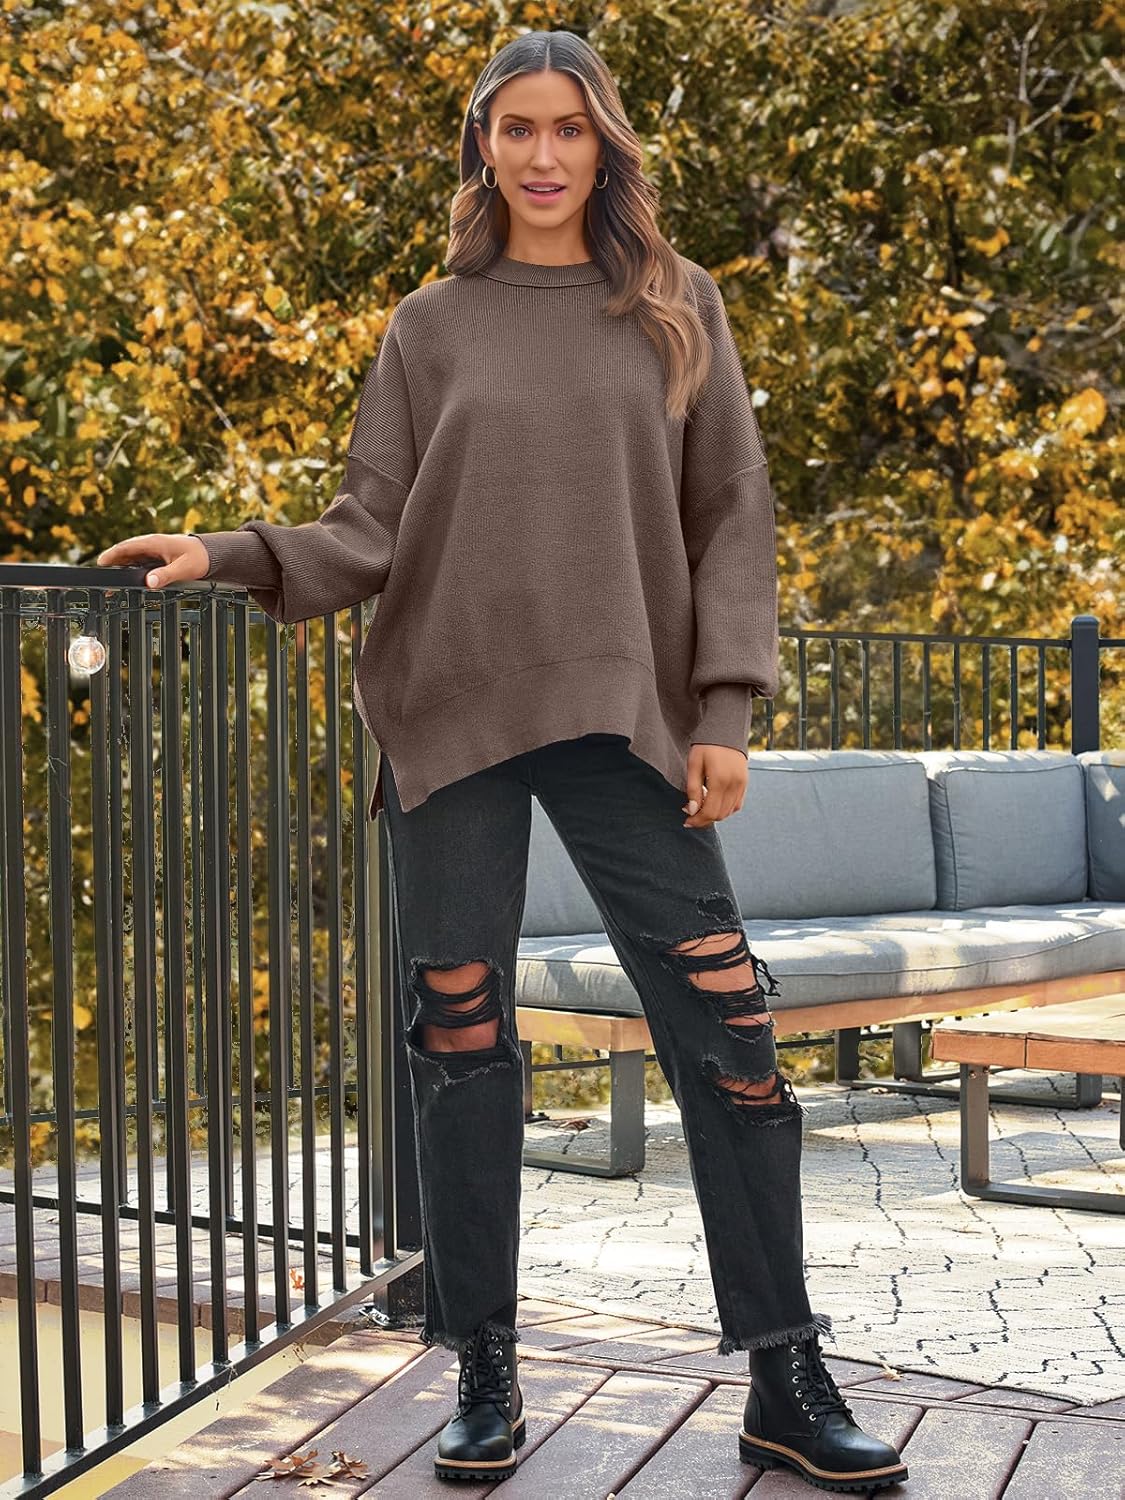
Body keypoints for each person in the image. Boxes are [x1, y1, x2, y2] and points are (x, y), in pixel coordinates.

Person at [97, 29, 909, 1494]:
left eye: (569, 129)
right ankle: (482, 1364)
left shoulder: (677, 306)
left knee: (731, 1032)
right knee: (461, 1042)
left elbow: (733, 513)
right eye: (516, 128)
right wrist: (230, 552)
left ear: (605, 146)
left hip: (625, 718)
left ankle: (785, 1374)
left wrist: (725, 712)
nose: (543, 156)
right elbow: (369, 528)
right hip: (452, 711)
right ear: (482, 145)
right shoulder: (432, 325)